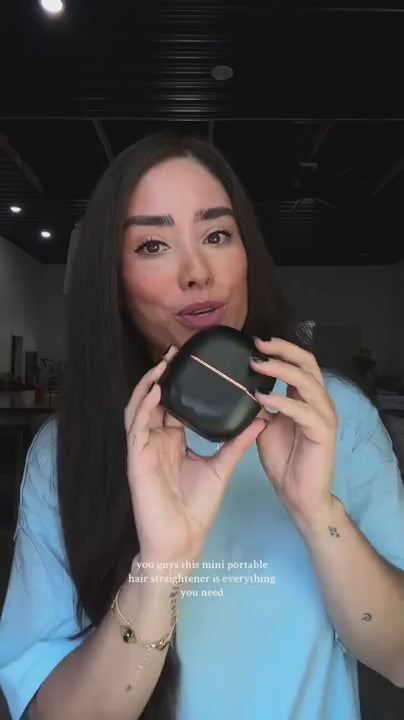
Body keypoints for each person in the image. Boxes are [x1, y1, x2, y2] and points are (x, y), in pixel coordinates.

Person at [0, 131, 403, 720]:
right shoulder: (64, 451)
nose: (197, 273)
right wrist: (160, 566)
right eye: (152, 245)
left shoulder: (331, 415)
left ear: (247, 253)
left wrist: (319, 514)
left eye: (216, 235)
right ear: (112, 277)